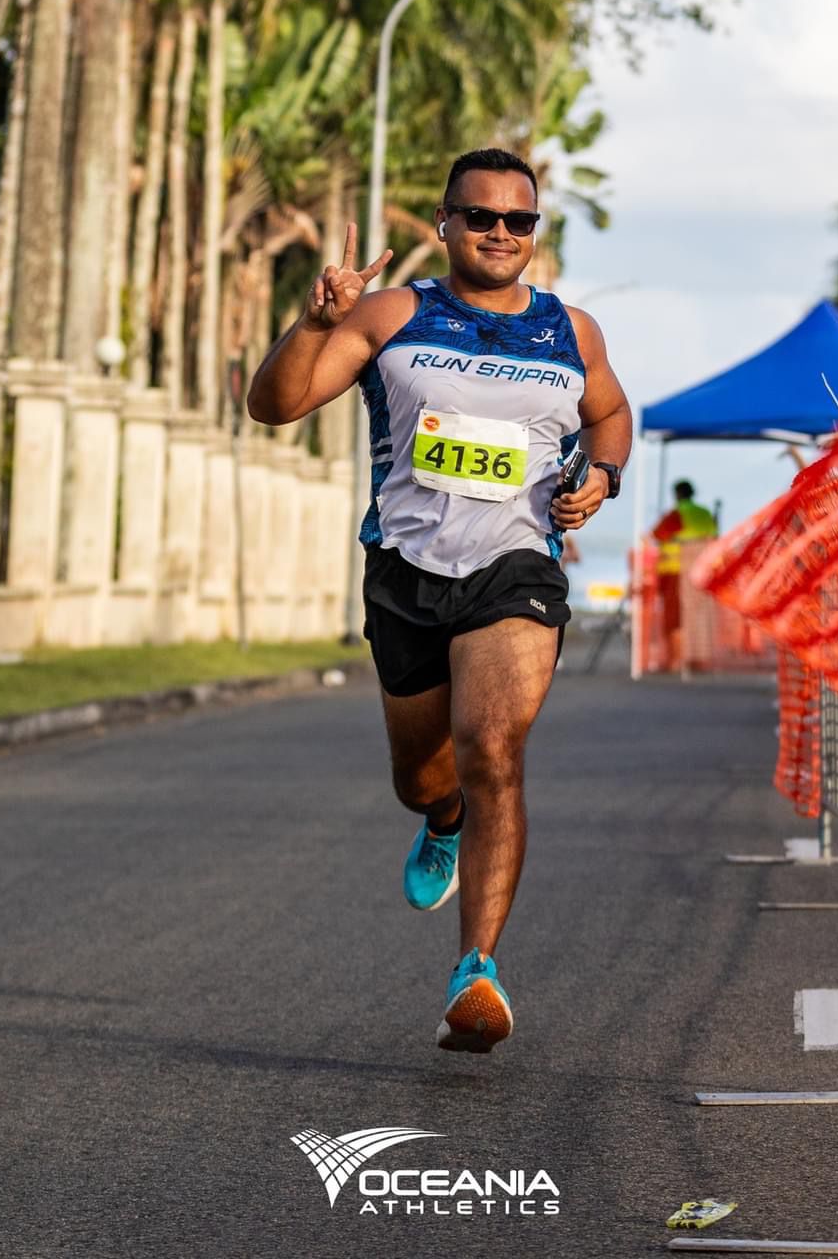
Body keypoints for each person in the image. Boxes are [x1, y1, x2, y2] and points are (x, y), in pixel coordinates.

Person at [247, 147, 631, 1054]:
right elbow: (276, 404)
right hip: (407, 572)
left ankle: (476, 972)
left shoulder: (569, 332)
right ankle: (441, 819)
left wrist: (602, 477)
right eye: (482, 216)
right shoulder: (394, 316)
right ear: (444, 224)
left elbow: (610, 415)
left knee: (493, 746)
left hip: (515, 568)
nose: (501, 233)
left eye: (519, 221)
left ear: (533, 232)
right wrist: (312, 325)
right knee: (422, 774)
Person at [650, 481, 718, 666]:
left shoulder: (677, 513)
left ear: (678, 494)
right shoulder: (704, 513)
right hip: (702, 571)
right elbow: (714, 537)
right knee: (699, 615)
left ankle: (676, 660)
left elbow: (657, 535)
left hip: (676, 570)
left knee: (675, 617)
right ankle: (699, 659)